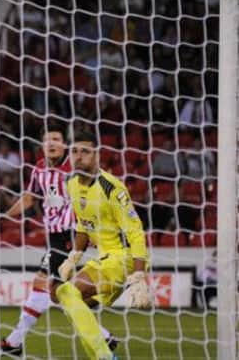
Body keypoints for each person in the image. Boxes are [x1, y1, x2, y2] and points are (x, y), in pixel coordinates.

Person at [0, 124, 116, 357]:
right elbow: (28, 199)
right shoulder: (39, 169)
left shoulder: (75, 169)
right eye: (47, 140)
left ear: (65, 144)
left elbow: (95, 196)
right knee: (58, 294)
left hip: (70, 234)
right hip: (53, 236)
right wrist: (5, 215)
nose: (52, 144)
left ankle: (14, 342)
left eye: (56, 138)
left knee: (40, 282)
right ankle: (103, 336)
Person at [54, 130, 150, 360]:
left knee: (66, 291)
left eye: (85, 151)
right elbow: (83, 223)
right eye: (74, 151)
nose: (78, 156)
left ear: (96, 155)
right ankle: (104, 352)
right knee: (71, 302)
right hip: (104, 259)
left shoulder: (112, 188)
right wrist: (73, 256)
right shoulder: (72, 183)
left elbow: (136, 232)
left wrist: (139, 276)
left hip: (122, 258)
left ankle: (104, 356)